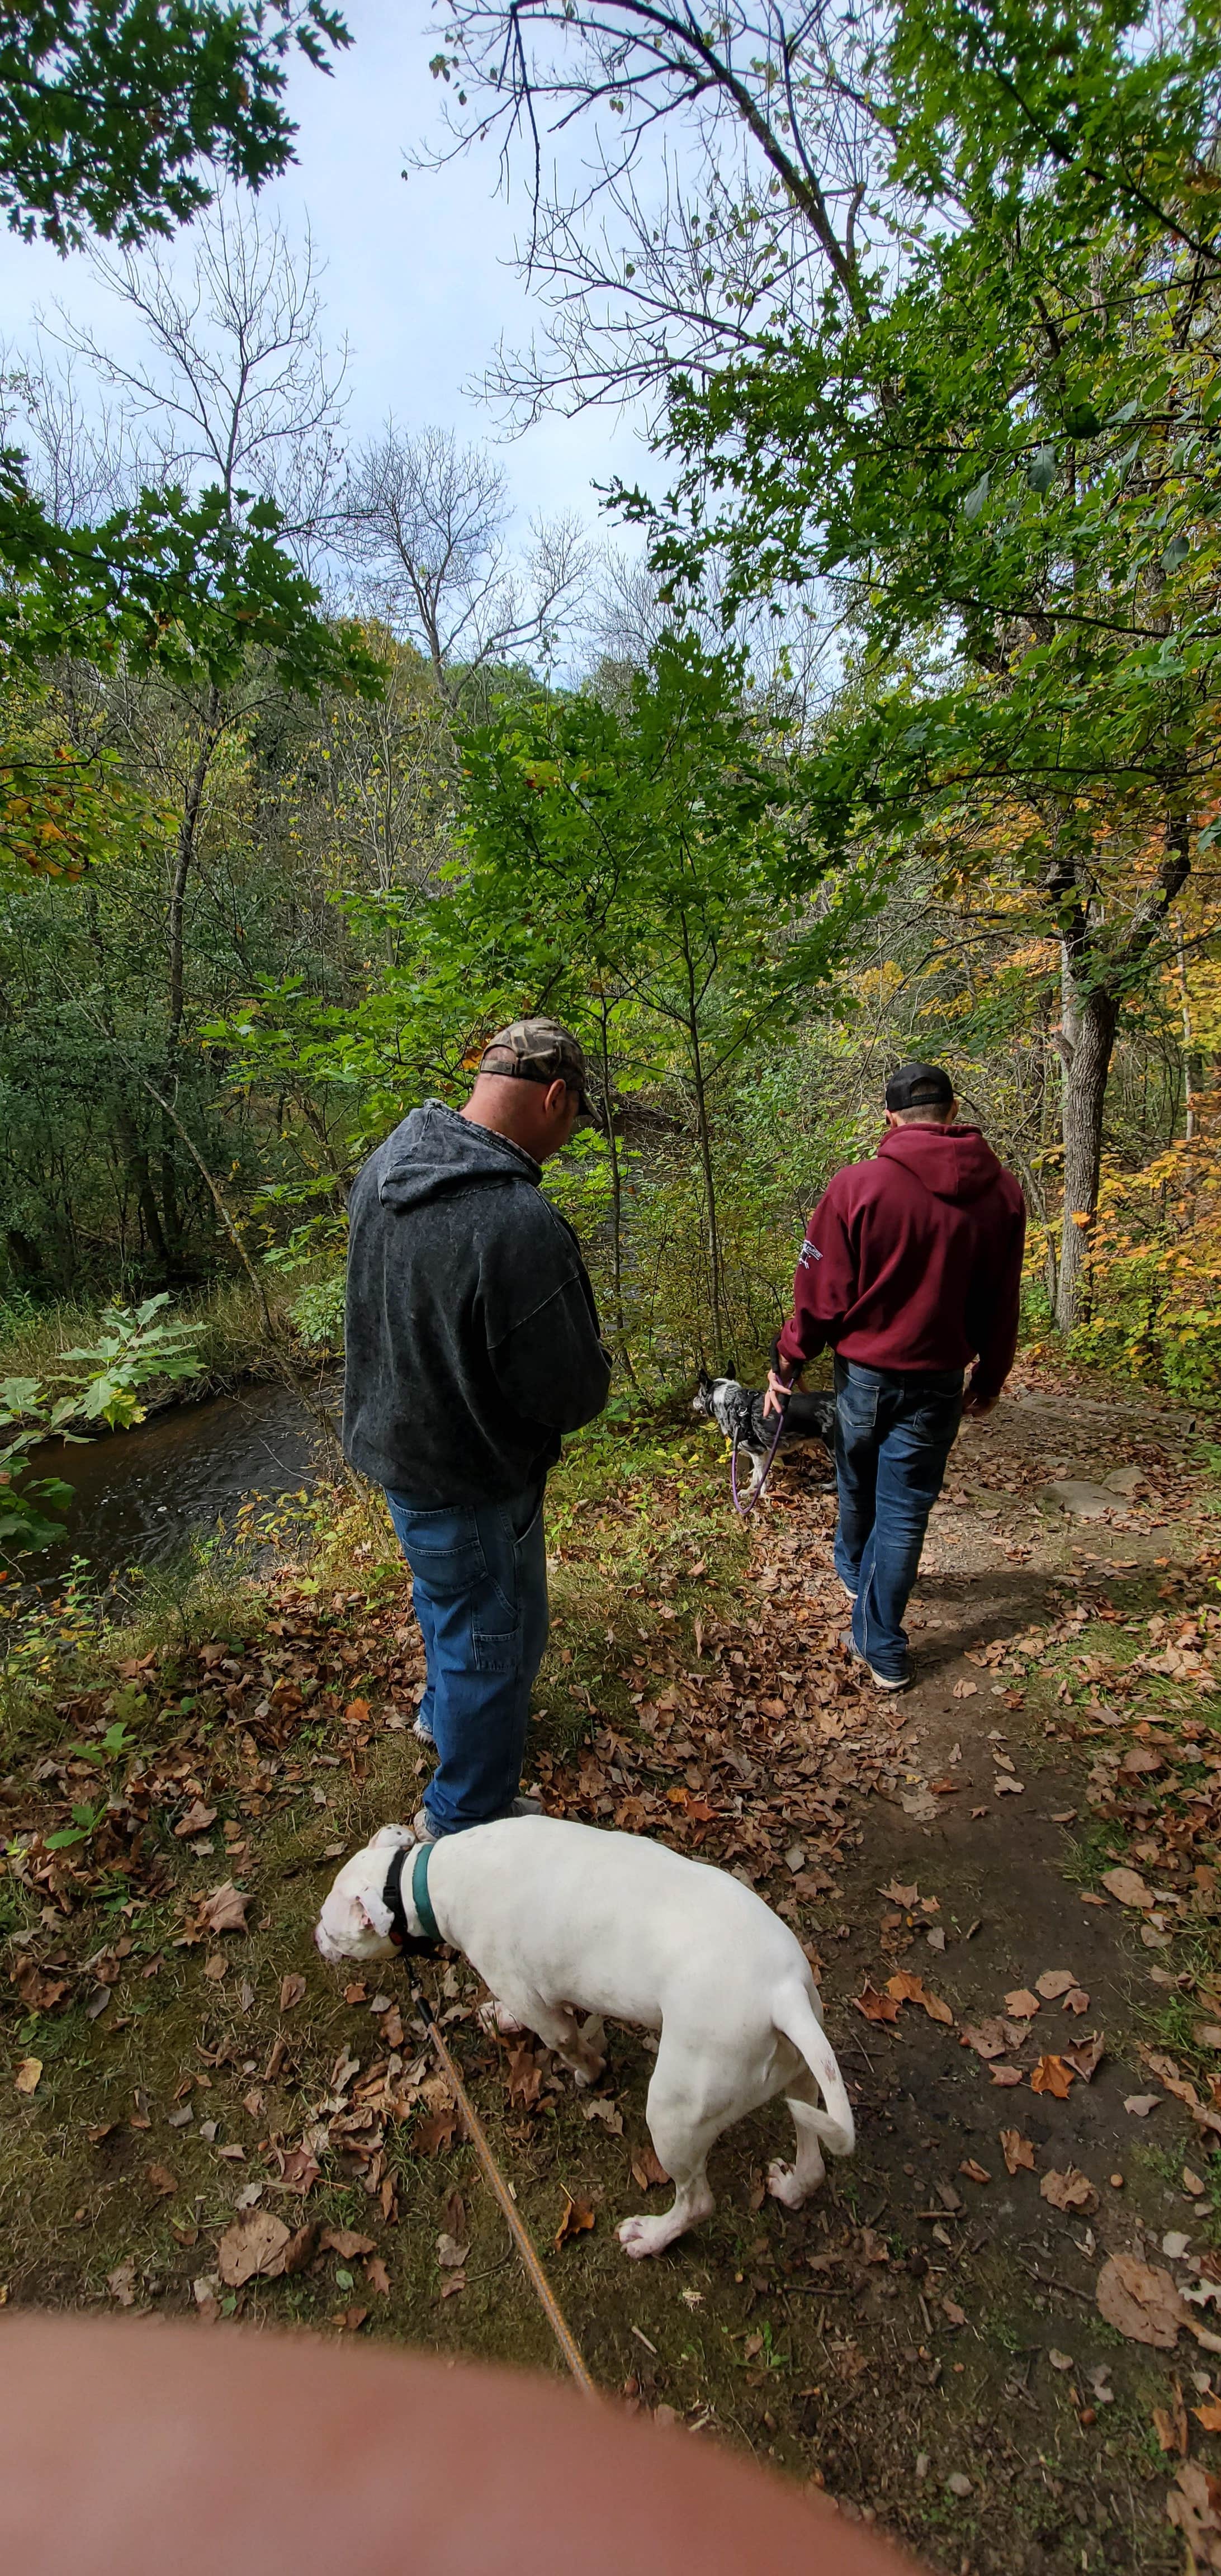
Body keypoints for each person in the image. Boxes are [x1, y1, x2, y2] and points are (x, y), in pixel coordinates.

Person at [343, 1017, 612, 1838]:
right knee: (491, 1646)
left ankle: (437, 1715)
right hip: (475, 1476)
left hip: (399, 1455)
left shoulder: (388, 1165)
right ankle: (465, 1822)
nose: (568, 1139)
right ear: (555, 1096)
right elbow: (571, 1392)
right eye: (574, 1121)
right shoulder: (517, 1222)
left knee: (447, 1605)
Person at [765, 1061, 1026, 1692]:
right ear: (953, 1111)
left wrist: (787, 1362)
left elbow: (820, 1293)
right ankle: (880, 1640)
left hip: (865, 1375)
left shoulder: (858, 1187)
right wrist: (991, 1377)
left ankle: (858, 1579)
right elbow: (1001, 1300)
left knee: (859, 1480)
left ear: (889, 1117)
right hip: (939, 1376)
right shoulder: (1004, 1194)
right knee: (906, 1509)